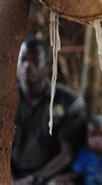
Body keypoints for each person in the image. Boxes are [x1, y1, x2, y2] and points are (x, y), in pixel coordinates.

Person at [12, 36, 88, 184]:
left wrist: (32, 179)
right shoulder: (6, 101)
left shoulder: (70, 103)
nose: (28, 65)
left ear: (48, 65)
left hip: (50, 177)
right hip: (11, 174)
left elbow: (67, 155)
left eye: (35, 60)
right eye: (23, 59)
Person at [68, 115, 102, 185]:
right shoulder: (84, 155)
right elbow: (75, 174)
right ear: (87, 137)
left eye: (101, 134)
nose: (97, 139)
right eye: (93, 135)